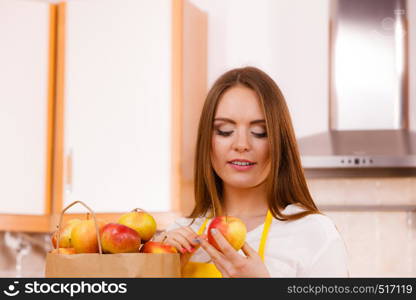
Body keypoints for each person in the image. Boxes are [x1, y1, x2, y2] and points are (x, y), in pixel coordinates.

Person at [154, 66, 349, 278]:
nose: (242, 144)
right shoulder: (179, 233)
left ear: (279, 142)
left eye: (260, 132)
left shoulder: (313, 234)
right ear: (207, 141)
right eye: (225, 131)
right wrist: (164, 272)